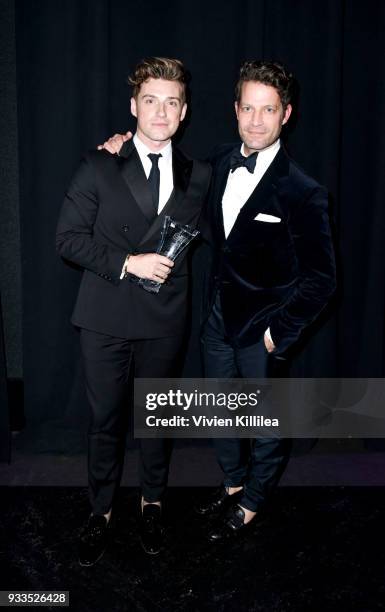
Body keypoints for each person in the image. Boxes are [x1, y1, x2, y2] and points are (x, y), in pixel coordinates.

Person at [101, 60, 336, 542]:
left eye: (267, 110)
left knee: (265, 423)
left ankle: (252, 502)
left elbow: (322, 280)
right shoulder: (220, 163)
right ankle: (232, 485)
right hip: (216, 321)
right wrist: (119, 146)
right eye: (247, 108)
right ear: (235, 110)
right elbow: (167, 179)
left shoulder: (303, 191)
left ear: (285, 114)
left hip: (262, 331)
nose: (256, 120)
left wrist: (279, 333)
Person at [56, 57, 211, 564]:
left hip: (165, 319)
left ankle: (152, 504)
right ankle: (99, 511)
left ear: (184, 111)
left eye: (171, 102)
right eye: (151, 100)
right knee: (105, 421)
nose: (161, 111)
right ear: (133, 107)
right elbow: (68, 241)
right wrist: (129, 262)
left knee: (157, 420)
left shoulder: (202, 173)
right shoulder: (99, 163)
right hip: (104, 317)